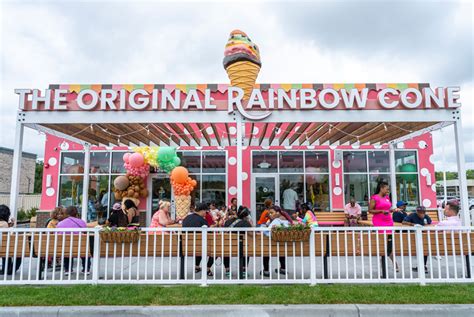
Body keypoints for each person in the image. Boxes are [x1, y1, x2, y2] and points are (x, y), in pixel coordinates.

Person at [368, 181, 398, 272]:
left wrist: (393, 210)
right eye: (387, 189)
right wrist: (381, 211)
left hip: (389, 221)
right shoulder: (374, 198)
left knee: (389, 242)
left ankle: (393, 261)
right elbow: (370, 210)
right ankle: (385, 265)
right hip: (379, 222)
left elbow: (387, 210)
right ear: (381, 188)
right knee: (382, 244)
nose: (388, 190)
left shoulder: (387, 198)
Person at [182, 203, 214, 276]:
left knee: (199, 244)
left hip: (186, 247)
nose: (206, 213)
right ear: (202, 211)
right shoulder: (202, 221)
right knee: (215, 248)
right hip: (200, 247)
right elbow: (210, 233)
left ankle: (197, 266)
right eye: (206, 212)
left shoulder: (186, 218)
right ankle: (207, 268)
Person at [56, 206, 90, 275]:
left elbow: (57, 236)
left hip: (66, 248)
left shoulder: (60, 224)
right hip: (80, 248)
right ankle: (86, 269)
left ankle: (67, 270)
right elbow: (85, 234)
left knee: (66, 249)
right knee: (85, 249)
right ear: (76, 213)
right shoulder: (82, 222)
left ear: (66, 213)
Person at [223, 207, 252, 278]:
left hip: (228, 247)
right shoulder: (246, 223)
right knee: (246, 249)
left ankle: (227, 270)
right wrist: (250, 223)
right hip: (241, 249)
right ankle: (243, 270)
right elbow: (252, 234)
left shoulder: (228, 222)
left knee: (226, 249)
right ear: (246, 216)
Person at [402, 206, 432, 273]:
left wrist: (425, 226)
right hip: (414, 236)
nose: (422, 213)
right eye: (420, 212)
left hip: (423, 236)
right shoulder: (412, 215)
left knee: (424, 249)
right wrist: (413, 224)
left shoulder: (426, 216)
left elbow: (430, 223)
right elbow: (404, 222)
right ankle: (422, 266)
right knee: (422, 250)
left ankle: (423, 266)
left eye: (423, 212)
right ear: (417, 212)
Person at [262, 206, 289, 277]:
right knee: (281, 249)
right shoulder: (287, 221)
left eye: (272, 213)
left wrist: (262, 227)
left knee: (266, 250)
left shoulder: (276, 221)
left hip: (271, 246)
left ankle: (266, 270)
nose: (270, 214)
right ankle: (283, 268)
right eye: (269, 213)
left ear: (277, 213)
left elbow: (267, 233)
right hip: (283, 247)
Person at [0, 205, 22, 275]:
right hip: (3, 248)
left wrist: (10, 225)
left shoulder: (4, 224)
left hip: (2, 247)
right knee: (18, 254)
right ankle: (10, 271)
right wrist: (14, 224)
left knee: (6, 249)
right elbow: (12, 233)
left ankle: (5, 269)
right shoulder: (4, 224)